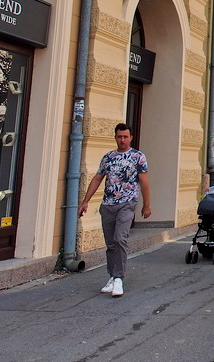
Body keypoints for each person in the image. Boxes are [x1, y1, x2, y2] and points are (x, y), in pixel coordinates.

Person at [79, 123, 151, 298]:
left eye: (125, 137)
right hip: (108, 204)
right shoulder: (108, 157)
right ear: (115, 137)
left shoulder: (138, 157)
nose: (122, 140)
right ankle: (112, 276)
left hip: (127, 203)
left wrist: (146, 205)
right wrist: (85, 201)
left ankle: (119, 278)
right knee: (111, 244)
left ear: (131, 137)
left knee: (120, 238)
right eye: (119, 137)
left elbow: (144, 182)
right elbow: (97, 178)